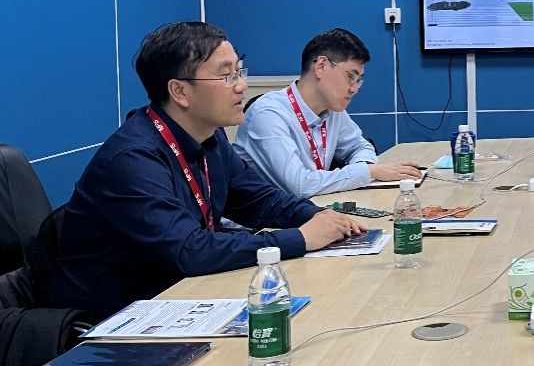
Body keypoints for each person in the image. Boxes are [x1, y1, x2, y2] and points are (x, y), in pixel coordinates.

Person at [51, 22, 365, 320]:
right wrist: (301, 238)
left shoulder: (209, 137)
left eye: (239, 71)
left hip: (179, 295)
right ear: (180, 92)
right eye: (226, 76)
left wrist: (318, 217)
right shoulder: (133, 159)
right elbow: (189, 250)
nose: (241, 86)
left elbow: (260, 200)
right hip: (115, 319)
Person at [234, 28, 422, 198]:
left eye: (359, 80)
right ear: (321, 66)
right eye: (351, 76)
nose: (354, 89)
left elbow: (359, 146)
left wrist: (363, 166)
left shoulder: (332, 109)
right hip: (261, 222)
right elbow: (299, 185)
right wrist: (369, 172)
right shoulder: (268, 114)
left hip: (309, 211)